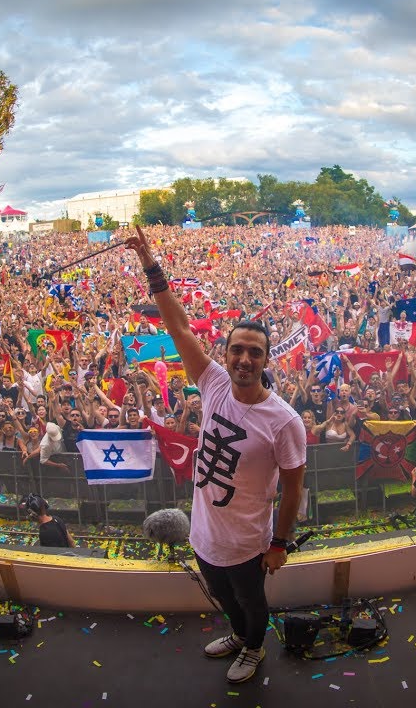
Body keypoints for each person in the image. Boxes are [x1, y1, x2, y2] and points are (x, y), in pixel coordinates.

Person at [125, 224, 307, 685]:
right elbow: (179, 326)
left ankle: (253, 647)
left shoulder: (284, 421)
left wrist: (279, 544)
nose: (244, 359)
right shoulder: (213, 384)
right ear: (224, 356)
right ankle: (238, 634)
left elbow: (292, 492)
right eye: (237, 350)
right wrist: (151, 265)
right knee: (225, 599)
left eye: (255, 353)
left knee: (251, 601)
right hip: (205, 531)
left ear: (267, 361)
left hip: (248, 542)